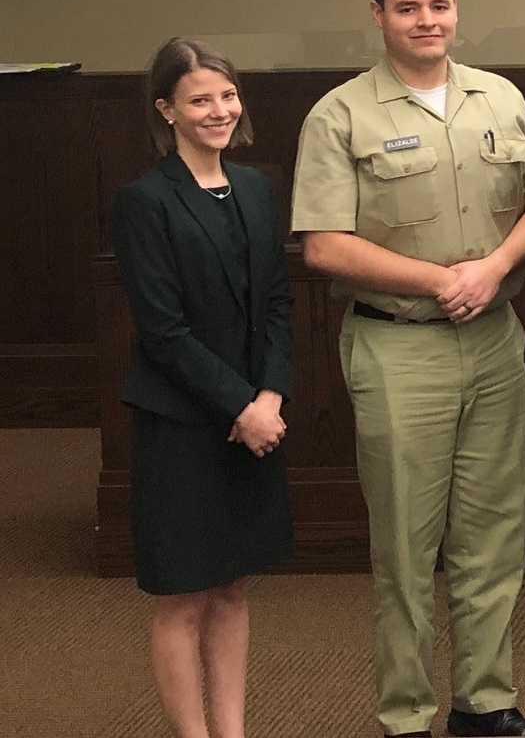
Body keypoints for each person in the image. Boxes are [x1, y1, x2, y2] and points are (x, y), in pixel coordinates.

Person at [293, 0, 525, 738]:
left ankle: (485, 700)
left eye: (438, 5)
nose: (426, 20)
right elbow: (325, 246)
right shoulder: (341, 115)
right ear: (378, 15)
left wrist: (496, 266)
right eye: (407, 8)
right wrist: (439, 281)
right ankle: (406, 713)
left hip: (495, 340)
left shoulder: (499, 98)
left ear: (456, 9)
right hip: (399, 346)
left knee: (494, 534)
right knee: (406, 548)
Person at [109, 38, 293, 738]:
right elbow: (163, 329)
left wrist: (270, 395)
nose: (219, 110)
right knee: (184, 595)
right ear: (167, 109)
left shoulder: (252, 186)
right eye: (199, 99)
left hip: (254, 417)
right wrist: (240, 405)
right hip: (184, 423)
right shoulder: (143, 202)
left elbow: (277, 299)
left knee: (234, 585)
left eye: (226, 95)